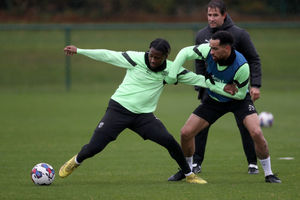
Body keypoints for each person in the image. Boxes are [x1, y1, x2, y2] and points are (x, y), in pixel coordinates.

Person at [59, 38, 236, 184]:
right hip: (118, 109)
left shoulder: (171, 70)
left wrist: (223, 86)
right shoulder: (135, 59)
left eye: (157, 58)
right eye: (151, 55)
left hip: (143, 117)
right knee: (94, 147)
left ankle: (189, 175)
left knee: (170, 141)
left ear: (166, 57)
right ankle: (75, 161)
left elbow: (199, 79)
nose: (153, 60)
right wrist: (80, 50)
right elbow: (108, 55)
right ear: (148, 52)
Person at [167, 31, 281, 183]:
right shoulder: (208, 50)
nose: (211, 51)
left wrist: (212, 85)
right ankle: (187, 172)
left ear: (227, 48)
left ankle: (269, 174)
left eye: (215, 49)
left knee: (256, 132)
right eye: (211, 48)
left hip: (239, 101)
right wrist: (172, 74)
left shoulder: (242, 66)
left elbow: (240, 95)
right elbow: (184, 53)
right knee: (186, 133)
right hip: (214, 100)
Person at [193, 0, 262, 178]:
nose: (212, 18)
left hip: (237, 92)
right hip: (213, 91)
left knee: (246, 127)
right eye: (209, 15)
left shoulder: (240, 34)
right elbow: (199, 62)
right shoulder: (201, 35)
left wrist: (255, 85)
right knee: (200, 126)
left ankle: (252, 163)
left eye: (215, 15)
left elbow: (254, 59)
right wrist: (200, 85)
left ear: (224, 15)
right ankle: (196, 163)